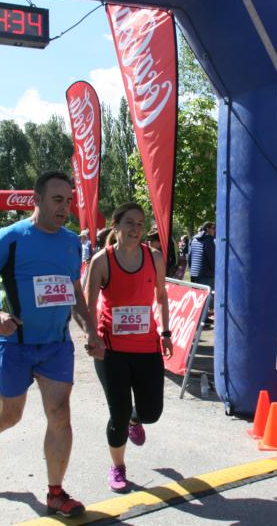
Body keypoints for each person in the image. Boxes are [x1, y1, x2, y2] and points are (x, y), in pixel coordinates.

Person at [0, 171, 104, 518]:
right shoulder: (10, 237)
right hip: (14, 343)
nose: (65, 207)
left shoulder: (71, 242)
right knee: (9, 415)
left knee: (60, 414)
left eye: (68, 201)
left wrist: (90, 329)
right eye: (57, 200)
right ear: (36, 200)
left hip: (56, 345)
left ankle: (56, 492)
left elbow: (74, 292)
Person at [84, 202, 173, 493]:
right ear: (116, 226)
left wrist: (166, 332)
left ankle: (137, 419)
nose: (136, 229)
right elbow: (88, 304)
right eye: (129, 223)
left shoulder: (154, 257)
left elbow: (161, 296)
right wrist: (91, 336)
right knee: (118, 413)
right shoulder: (102, 261)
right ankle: (118, 467)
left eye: (140, 223)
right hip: (111, 350)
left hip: (147, 347)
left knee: (151, 412)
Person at [188, 222, 216, 290]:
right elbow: (212, 260)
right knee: (209, 295)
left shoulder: (194, 239)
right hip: (206, 276)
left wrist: (191, 270)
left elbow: (189, 258)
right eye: (213, 228)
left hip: (194, 274)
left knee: (196, 295)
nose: (215, 230)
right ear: (207, 229)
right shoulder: (209, 240)